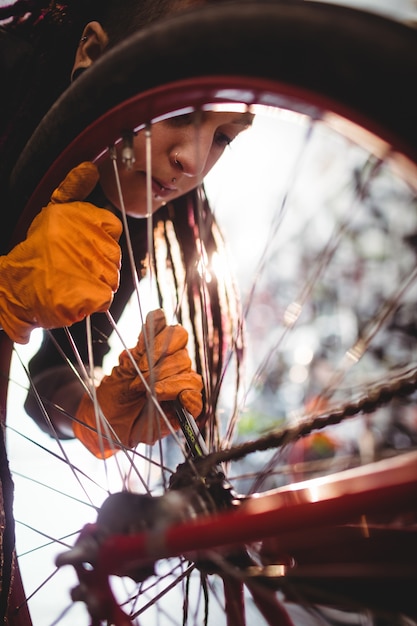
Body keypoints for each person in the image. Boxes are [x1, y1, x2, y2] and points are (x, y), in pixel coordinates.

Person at [0, 0, 250, 619]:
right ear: (92, 55)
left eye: (221, 135)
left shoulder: (130, 212)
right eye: (179, 111)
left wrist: (94, 414)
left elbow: (48, 386)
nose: (194, 160)